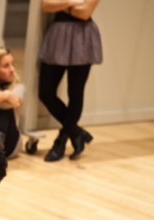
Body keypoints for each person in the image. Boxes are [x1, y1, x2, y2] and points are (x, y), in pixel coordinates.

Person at [38, 0, 102, 162]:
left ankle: (60, 142)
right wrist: (74, 2)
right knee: (45, 92)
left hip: (83, 38)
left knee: (75, 92)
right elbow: (45, 6)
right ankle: (76, 133)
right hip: (58, 37)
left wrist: (61, 4)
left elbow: (85, 13)